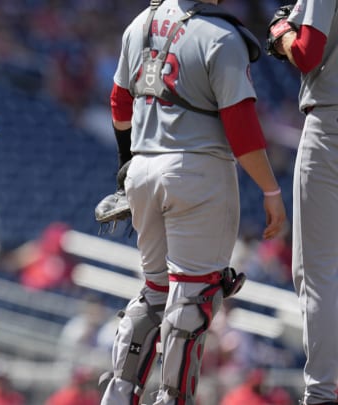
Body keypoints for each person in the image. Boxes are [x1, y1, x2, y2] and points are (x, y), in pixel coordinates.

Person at [98, 1, 286, 404]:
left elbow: (119, 102)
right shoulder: (221, 34)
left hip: (142, 169)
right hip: (197, 171)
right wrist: (271, 189)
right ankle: (172, 398)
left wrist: (126, 164)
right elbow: (241, 126)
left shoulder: (141, 22)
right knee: (192, 298)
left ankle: (118, 391)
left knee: (154, 291)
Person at [267, 2, 338, 404]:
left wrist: (282, 31)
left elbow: (306, 53)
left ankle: (321, 395)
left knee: (316, 272)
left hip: (332, 124)